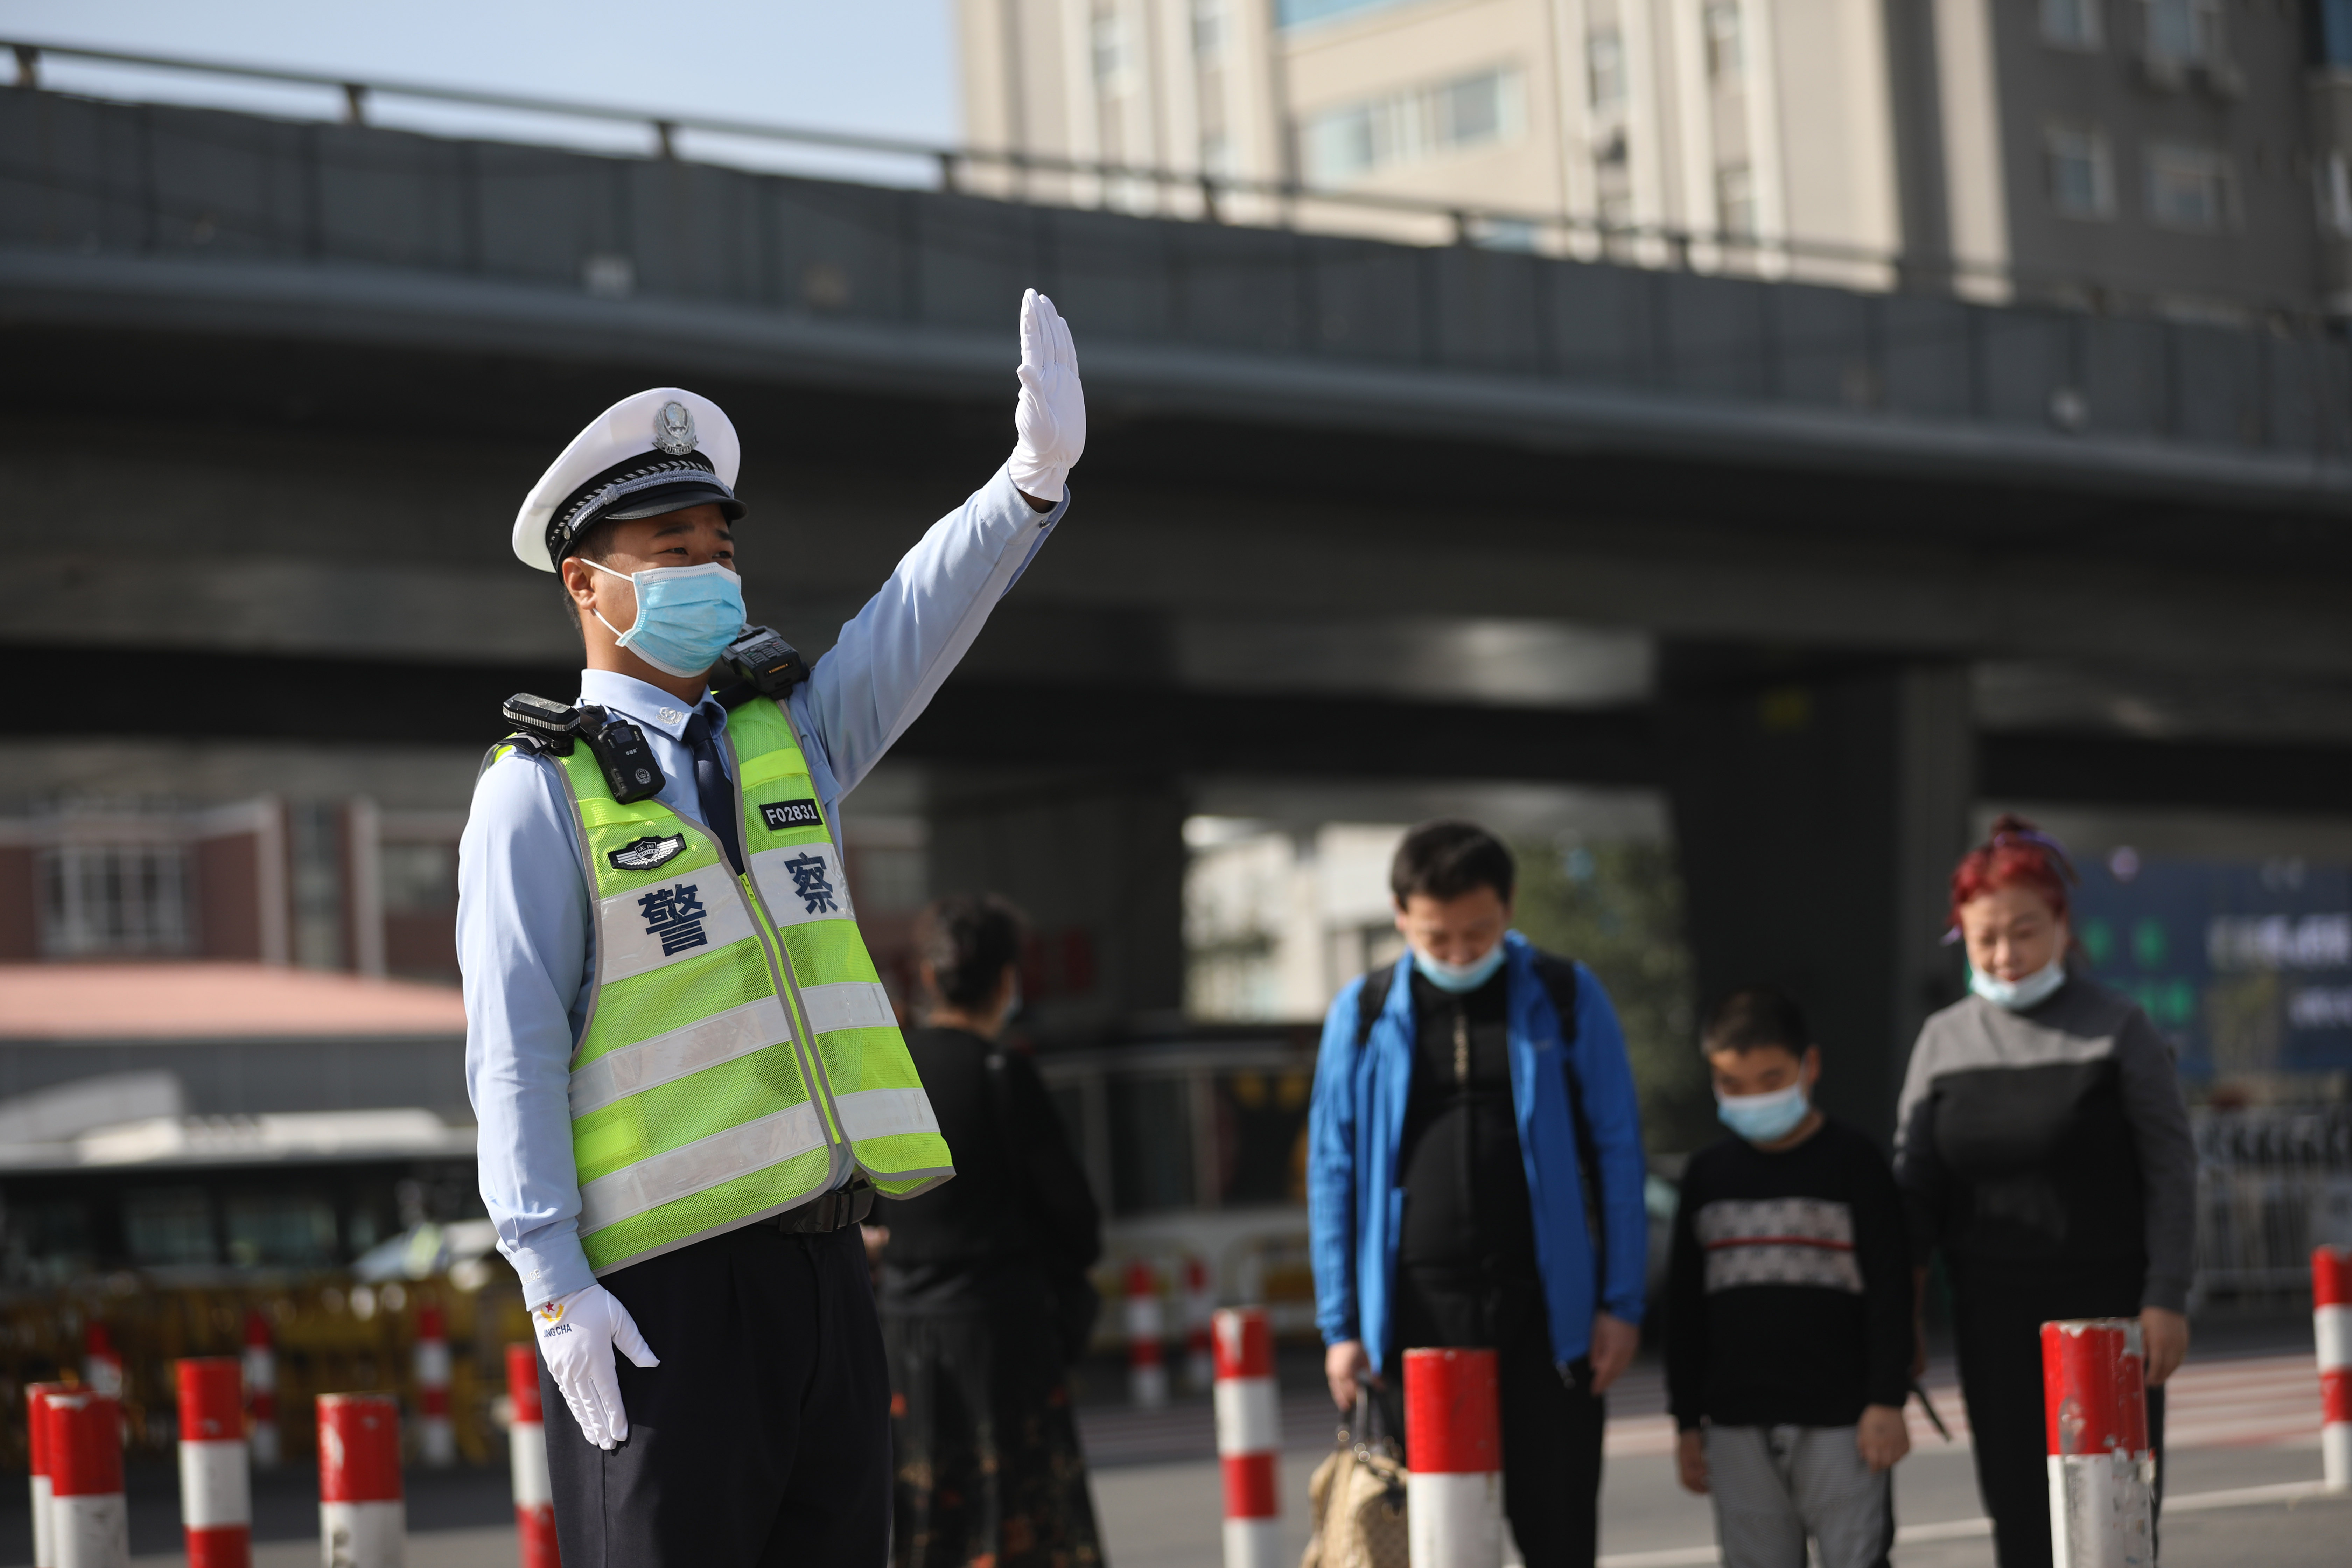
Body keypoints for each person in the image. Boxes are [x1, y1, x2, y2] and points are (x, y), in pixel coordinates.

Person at [458, 289, 1087, 1567]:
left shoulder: (781, 738)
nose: (710, 572)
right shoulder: (534, 794)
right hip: (658, 1297)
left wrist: (1026, 484)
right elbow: (512, 1049)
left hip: (825, 1273)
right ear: (588, 581)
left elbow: (911, 624)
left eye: (720, 547)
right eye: (671, 549)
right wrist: (550, 1274)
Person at [1308, 819, 1649, 1568]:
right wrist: (1341, 1323)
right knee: (1433, 1540)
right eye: (1438, 937)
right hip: (1414, 1319)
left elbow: (1620, 1152)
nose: (1460, 952)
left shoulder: (1564, 995)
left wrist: (1622, 1303)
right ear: (1401, 914)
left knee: (1557, 1530)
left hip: (1545, 1314)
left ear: (1510, 905)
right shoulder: (1362, 1013)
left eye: (1479, 931)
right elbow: (1332, 1170)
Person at [1893, 814, 2196, 1568]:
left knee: (2114, 1525)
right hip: (1994, 1322)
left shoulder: (2119, 1025)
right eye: (1984, 937)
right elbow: (1914, 1192)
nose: (2006, 953)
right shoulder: (1941, 1042)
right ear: (1959, 936)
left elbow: (2170, 1167)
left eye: (2025, 931)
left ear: (2062, 925)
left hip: (2109, 1321)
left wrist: (2165, 1295)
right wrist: (1901, 1311)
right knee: (2020, 1519)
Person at [875, 894, 1106, 1568]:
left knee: (924, 1526)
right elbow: (1078, 1223)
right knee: (1025, 1523)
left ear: (926, 977)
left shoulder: (887, 1075)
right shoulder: (1006, 1074)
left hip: (907, 1341)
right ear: (1008, 981)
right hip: (1005, 1337)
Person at [1666, 987, 1911, 1568]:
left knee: (1858, 1557)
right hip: (1734, 1423)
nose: (1754, 1097)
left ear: (1811, 1066)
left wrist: (1886, 1400)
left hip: (1843, 1419)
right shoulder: (1706, 1175)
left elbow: (1891, 1289)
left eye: (1772, 1078)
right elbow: (1685, 1310)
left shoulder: (1855, 1160)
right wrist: (1686, 1422)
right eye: (1733, 1084)